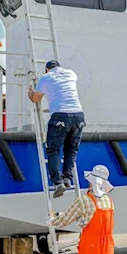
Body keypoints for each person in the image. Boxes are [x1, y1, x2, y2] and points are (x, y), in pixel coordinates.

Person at [29, 60, 85, 198]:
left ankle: (57, 183)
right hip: (79, 115)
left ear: (47, 69)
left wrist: (30, 91)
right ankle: (67, 178)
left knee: (53, 150)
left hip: (60, 115)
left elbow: (36, 99)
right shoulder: (71, 73)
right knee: (71, 149)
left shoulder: (46, 77)